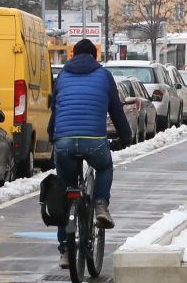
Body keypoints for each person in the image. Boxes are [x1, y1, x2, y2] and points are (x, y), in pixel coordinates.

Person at [49, 38, 134, 246]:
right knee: (104, 167)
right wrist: (126, 138)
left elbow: (56, 111)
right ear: (95, 57)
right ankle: (100, 204)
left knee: (66, 193)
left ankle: (65, 250)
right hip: (94, 142)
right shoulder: (104, 76)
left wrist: (53, 137)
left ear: (73, 55)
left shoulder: (61, 76)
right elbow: (116, 111)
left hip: (65, 142)